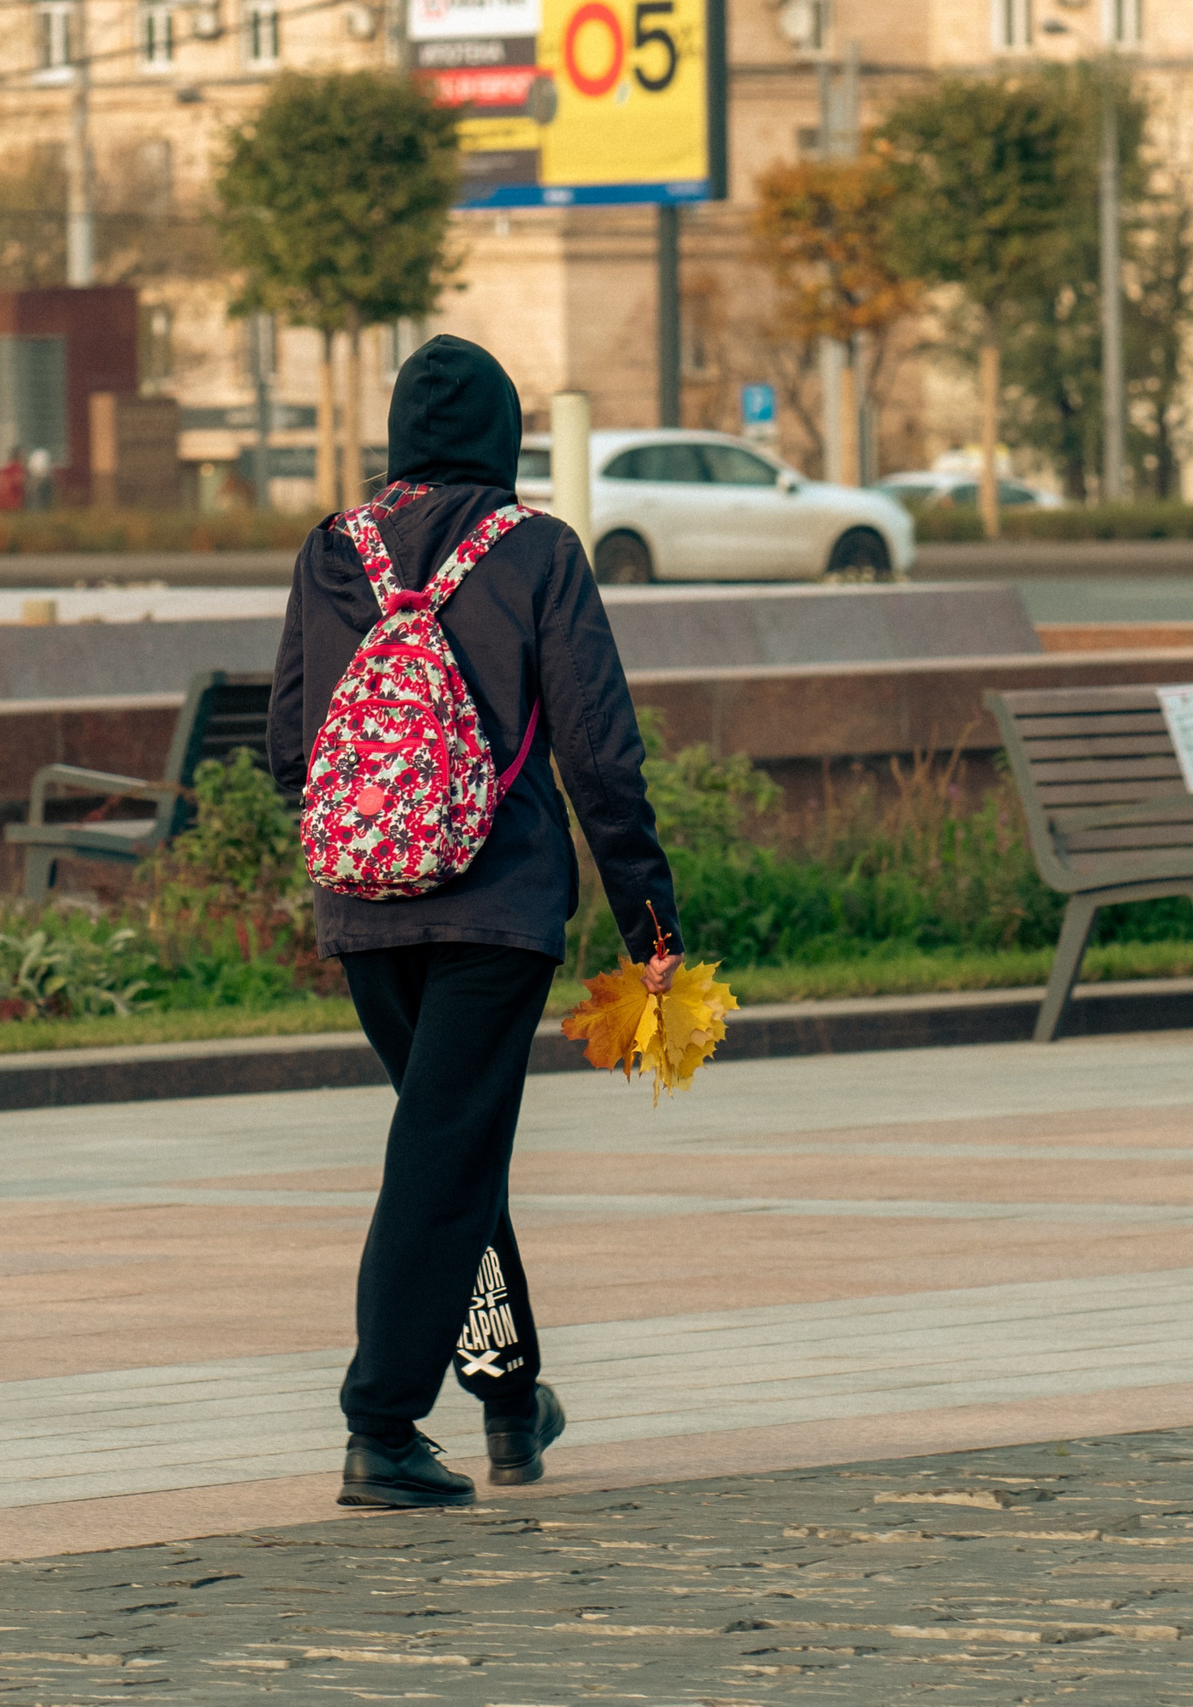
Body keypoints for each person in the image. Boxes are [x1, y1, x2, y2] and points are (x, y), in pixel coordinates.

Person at [270, 335, 682, 1509]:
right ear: (504, 434)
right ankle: (381, 1425)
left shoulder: (331, 550)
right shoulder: (539, 550)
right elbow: (601, 753)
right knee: (445, 1153)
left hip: (363, 904)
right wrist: (651, 920)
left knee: (454, 1149)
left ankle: (510, 1401)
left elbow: (291, 745)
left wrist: (373, 833)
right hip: (495, 912)